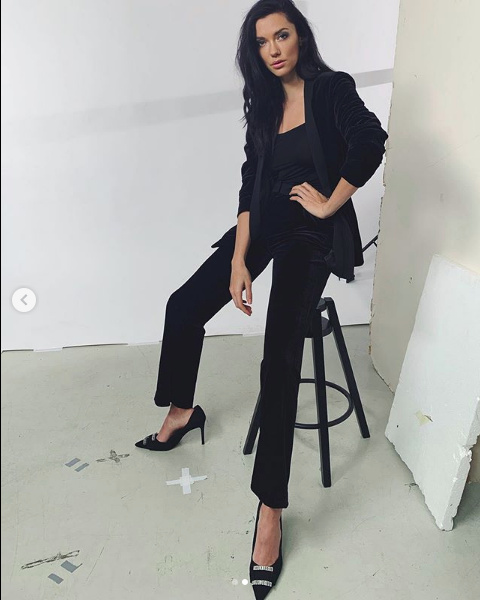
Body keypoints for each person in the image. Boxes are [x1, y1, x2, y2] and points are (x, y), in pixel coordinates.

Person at [135, 1, 388, 597]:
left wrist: (329, 202)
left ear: (300, 37)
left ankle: (270, 508)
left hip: (310, 233)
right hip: (266, 222)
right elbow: (251, 181)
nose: (274, 49)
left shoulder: (331, 89)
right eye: (263, 41)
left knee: (279, 357)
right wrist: (238, 260)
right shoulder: (264, 101)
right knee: (183, 305)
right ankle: (182, 410)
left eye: (283, 35)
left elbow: (370, 141)